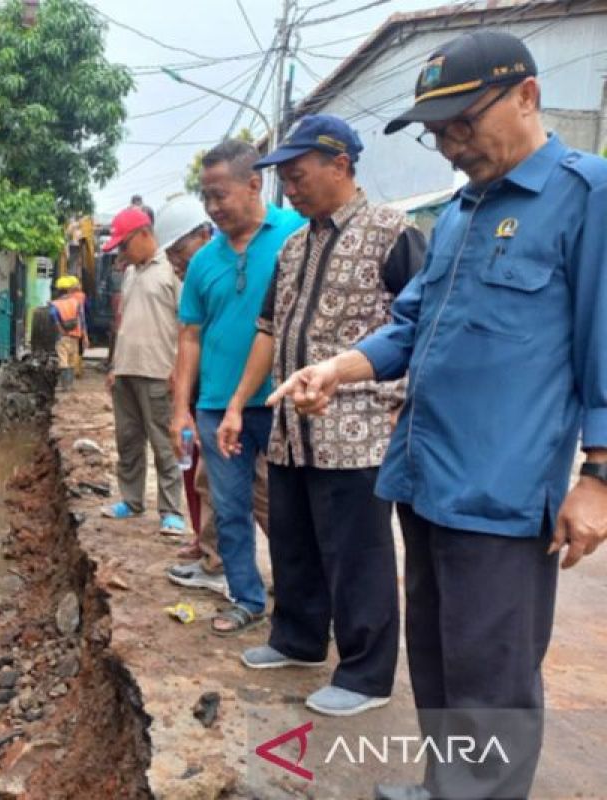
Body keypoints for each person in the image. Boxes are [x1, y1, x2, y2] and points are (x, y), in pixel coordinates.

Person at [268, 31, 607, 800]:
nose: (450, 144)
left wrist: (599, 475)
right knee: (438, 656)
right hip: (423, 478)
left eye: (463, 123)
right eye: (438, 130)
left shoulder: (588, 197)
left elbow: (605, 341)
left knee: (491, 673)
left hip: (503, 492)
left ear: (526, 95)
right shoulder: (461, 212)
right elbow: (410, 324)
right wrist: (338, 367)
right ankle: (445, 783)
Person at [219, 114, 426, 717]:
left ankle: (365, 674)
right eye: (284, 178)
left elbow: (422, 331)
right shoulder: (293, 247)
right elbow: (267, 330)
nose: (292, 188)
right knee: (294, 543)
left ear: (340, 165)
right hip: (291, 428)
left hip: (356, 428)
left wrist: (400, 411)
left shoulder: (394, 234)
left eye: (299, 174)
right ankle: (299, 639)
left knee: (357, 555)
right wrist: (239, 406)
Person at [167, 140, 304, 626]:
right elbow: (190, 339)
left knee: (289, 510)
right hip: (216, 405)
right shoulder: (204, 261)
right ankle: (246, 599)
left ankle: (301, 605)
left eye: (219, 195)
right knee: (228, 508)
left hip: (283, 402)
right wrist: (182, 409)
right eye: (206, 197)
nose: (212, 208)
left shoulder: (296, 234)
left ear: (254, 184)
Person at [101, 206, 186, 536]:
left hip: (158, 371)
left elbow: (186, 326)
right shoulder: (131, 273)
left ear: (145, 235)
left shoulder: (172, 270)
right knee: (128, 440)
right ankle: (132, 501)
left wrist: (179, 369)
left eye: (125, 245)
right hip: (126, 371)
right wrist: (114, 365)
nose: (122, 253)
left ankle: (171, 510)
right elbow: (123, 323)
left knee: (164, 443)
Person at [153, 195, 214, 541]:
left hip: (219, 394)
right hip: (195, 390)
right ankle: (200, 540)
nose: (176, 262)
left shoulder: (226, 270)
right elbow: (187, 334)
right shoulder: (192, 281)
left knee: (219, 480)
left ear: (204, 234)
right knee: (191, 469)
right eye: (171, 255)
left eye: (179, 252)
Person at [49, 276, 87, 391]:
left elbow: (53, 317)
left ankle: (64, 385)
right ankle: (70, 385)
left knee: (63, 360)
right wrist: (85, 337)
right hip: (75, 336)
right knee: (71, 361)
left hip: (62, 337)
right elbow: (82, 320)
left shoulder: (55, 304)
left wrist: (60, 329)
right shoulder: (76, 303)